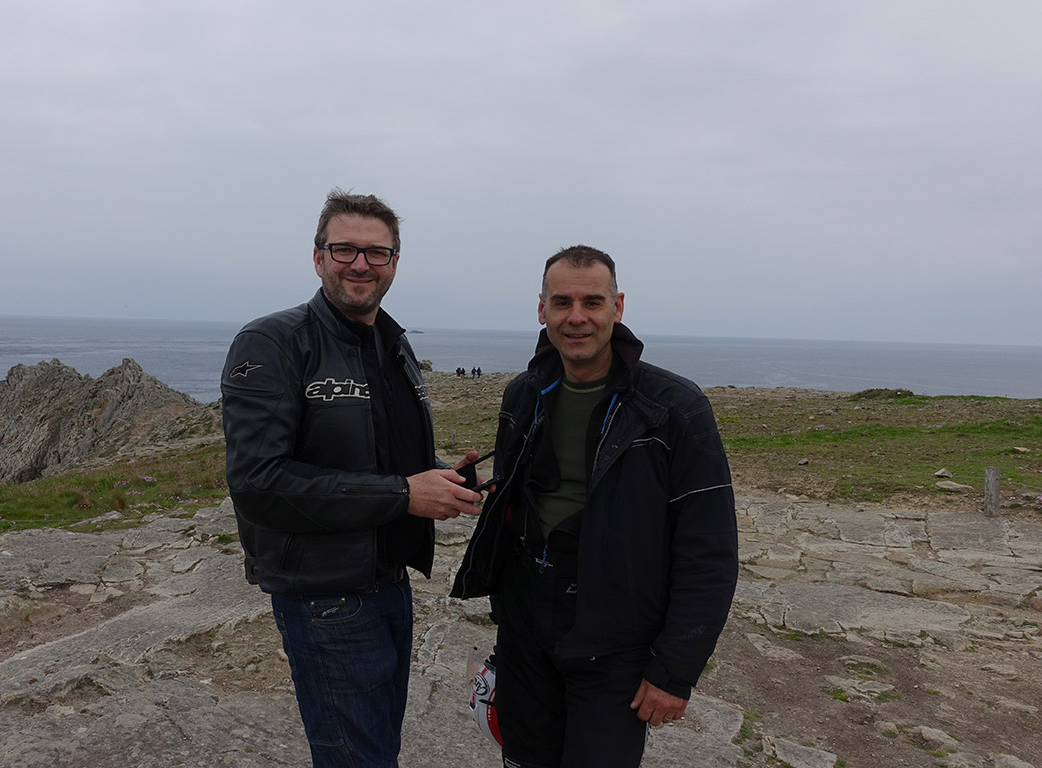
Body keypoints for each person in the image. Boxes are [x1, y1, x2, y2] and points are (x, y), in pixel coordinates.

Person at [221, 189, 484, 768]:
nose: (360, 264)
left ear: (394, 263)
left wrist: (441, 476)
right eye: (344, 250)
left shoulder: (392, 345)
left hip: (388, 584)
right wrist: (403, 494)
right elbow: (259, 483)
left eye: (376, 253)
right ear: (318, 258)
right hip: (325, 598)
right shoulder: (273, 342)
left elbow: (374, 455)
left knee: (375, 754)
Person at [451, 245, 739, 767]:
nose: (576, 317)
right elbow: (533, 499)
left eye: (592, 301)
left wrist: (673, 671)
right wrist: (484, 493)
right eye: (561, 302)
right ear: (541, 310)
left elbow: (709, 550)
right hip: (526, 627)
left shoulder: (674, 408)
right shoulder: (524, 393)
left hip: (615, 639)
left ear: (618, 307)